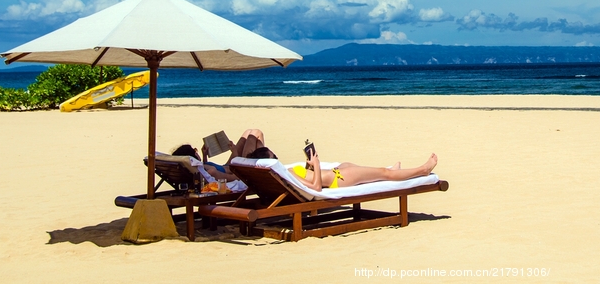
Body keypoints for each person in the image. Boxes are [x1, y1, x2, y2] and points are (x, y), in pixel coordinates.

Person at [246, 146, 438, 191]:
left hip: (338, 172)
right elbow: (315, 188)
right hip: (339, 179)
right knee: (383, 173)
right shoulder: (285, 173)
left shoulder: (281, 173)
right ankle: (422, 170)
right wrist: (317, 166)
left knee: (367, 169)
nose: (275, 154)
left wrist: (309, 166)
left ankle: (393, 170)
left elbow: (309, 179)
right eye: (272, 154)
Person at [172, 128, 266, 182]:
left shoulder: (200, 167)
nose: (196, 151)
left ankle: (264, 158)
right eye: (194, 150)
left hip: (229, 166)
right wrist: (235, 153)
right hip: (240, 168)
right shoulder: (210, 171)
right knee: (256, 133)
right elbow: (233, 172)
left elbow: (208, 169)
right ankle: (265, 162)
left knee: (248, 132)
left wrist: (204, 156)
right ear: (192, 155)